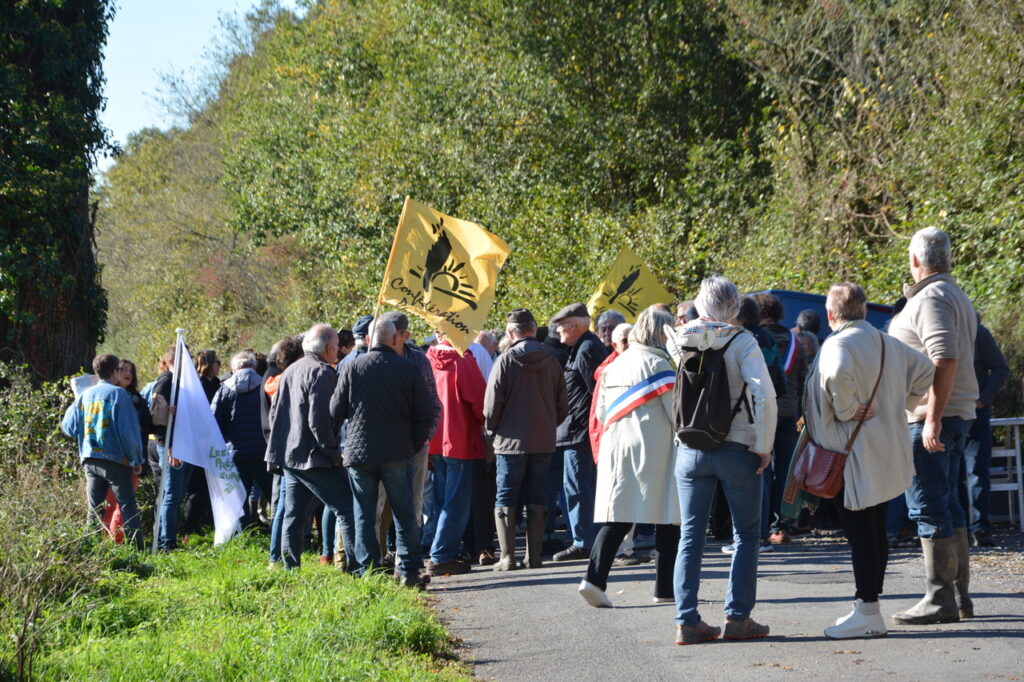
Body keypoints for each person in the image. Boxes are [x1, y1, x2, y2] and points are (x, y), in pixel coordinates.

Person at [804, 283, 934, 638]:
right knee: (875, 532)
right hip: (885, 450)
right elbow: (927, 370)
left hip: (852, 454)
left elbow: (835, 372)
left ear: (832, 315)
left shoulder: (838, 343)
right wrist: (903, 403)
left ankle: (868, 612)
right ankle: (868, 608)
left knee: (862, 535)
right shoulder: (887, 340)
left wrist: (846, 409)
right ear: (863, 311)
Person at [669, 275, 777, 645]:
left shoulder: (679, 338)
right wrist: (763, 445)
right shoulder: (742, 341)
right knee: (746, 534)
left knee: (690, 537)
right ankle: (738, 617)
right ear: (734, 307)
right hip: (736, 446)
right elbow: (764, 396)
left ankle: (686, 620)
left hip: (690, 447)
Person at [888, 227, 979, 625]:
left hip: (931, 418)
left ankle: (940, 599)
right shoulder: (955, 294)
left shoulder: (931, 298)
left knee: (928, 507)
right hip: (951, 414)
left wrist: (933, 418)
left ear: (915, 261)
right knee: (948, 504)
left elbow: (944, 356)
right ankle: (958, 598)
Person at [578, 307, 680, 608]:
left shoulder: (614, 365)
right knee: (667, 517)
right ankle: (664, 589)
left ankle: (594, 580)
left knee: (618, 517)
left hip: (615, 448)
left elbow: (600, 412)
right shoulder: (661, 365)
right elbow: (677, 415)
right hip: (654, 450)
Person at [330, 318, 433, 588]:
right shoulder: (409, 369)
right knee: (405, 513)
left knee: (364, 515)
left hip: (360, 453)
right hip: (398, 452)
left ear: (367, 338)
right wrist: (414, 442)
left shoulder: (352, 368)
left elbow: (334, 411)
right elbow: (427, 411)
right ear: (395, 339)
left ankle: (369, 573)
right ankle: (409, 572)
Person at [265, 324, 356, 572]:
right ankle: (358, 570)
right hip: (314, 456)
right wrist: (332, 452)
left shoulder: (290, 371)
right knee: (347, 508)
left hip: (290, 455)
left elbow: (275, 414)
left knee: (293, 515)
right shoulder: (323, 372)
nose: (338, 351)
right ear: (328, 347)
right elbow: (319, 420)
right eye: (337, 346)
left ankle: (289, 567)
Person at [484, 308, 568, 570]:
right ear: (533, 329)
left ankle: (507, 557)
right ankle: (534, 557)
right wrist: (545, 426)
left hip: (509, 443)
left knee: (506, 496)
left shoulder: (505, 361)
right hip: (543, 441)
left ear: (511, 333)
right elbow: (562, 406)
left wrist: (493, 431)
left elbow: (490, 408)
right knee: (538, 495)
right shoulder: (553, 361)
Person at [61, 354, 144, 548]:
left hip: (90, 458)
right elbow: (128, 432)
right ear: (115, 371)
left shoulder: (85, 394)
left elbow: (68, 427)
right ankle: (139, 552)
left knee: (94, 510)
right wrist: (136, 459)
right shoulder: (118, 394)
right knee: (127, 506)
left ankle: (90, 552)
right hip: (115, 459)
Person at [425, 331, 487, 576]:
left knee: (441, 500)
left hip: (435, 440)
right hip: (460, 439)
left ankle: (440, 548)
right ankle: (442, 554)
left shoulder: (426, 359)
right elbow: (480, 402)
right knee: (457, 502)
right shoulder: (463, 359)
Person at [552, 302, 610, 561]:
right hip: (576, 431)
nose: (557, 332)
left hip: (581, 434)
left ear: (573, 325)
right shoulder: (583, 347)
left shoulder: (587, 349)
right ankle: (585, 538)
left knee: (579, 487)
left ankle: (585, 541)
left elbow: (597, 394)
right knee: (575, 486)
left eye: (561, 327)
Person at [752, 292, 808, 545]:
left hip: (762, 412)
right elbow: (802, 379)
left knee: (761, 470)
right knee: (786, 471)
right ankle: (783, 525)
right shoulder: (796, 341)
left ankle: (760, 529)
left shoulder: (753, 340)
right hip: (788, 413)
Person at [959, 320, 1009, 547]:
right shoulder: (934, 328)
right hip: (944, 411)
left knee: (977, 470)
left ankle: (980, 528)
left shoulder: (977, 332)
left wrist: (983, 399)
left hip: (973, 411)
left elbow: (1000, 368)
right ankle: (957, 528)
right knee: (951, 473)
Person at [212, 350, 271, 529]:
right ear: (254, 366)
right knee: (274, 495)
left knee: (239, 498)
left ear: (232, 368)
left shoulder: (223, 389)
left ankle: (245, 532)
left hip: (235, 453)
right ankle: (280, 533)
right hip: (264, 451)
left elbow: (213, 420)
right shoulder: (266, 387)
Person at [102, 359, 152, 543]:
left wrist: (164, 412)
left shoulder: (138, 399)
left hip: (133, 458)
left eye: (131, 370)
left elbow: (146, 427)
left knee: (120, 503)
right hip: (118, 457)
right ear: (115, 373)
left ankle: (113, 541)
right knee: (114, 503)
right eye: (123, 369)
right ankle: (114, 542)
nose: (127, 373)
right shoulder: (113, 396)